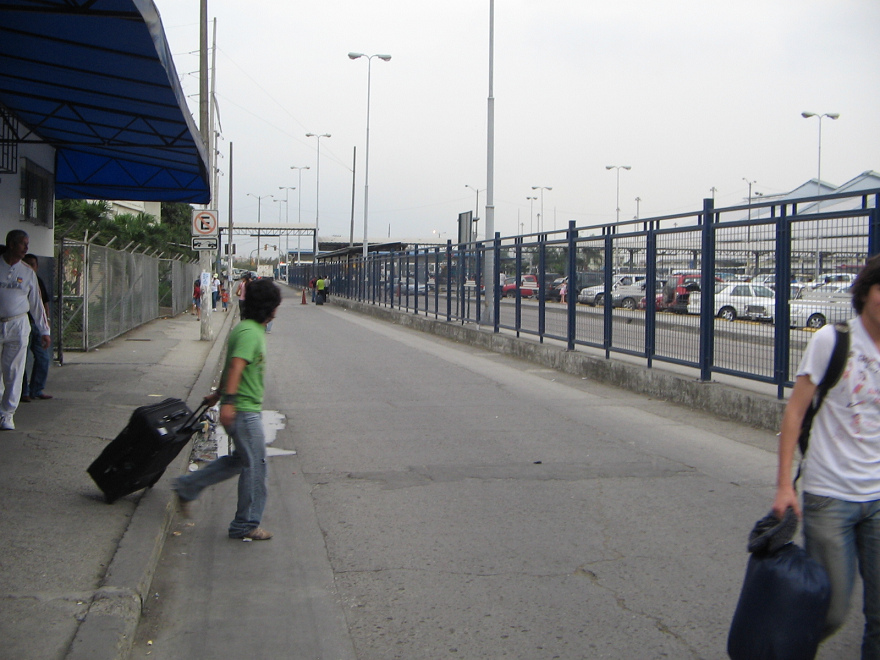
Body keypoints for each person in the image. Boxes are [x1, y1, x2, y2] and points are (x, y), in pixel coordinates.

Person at [773, 254, 880, 659]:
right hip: (829, 495)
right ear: (865, 293)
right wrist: (784, 485)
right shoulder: (832, 341)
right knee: (830, 612)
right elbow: (795, 413)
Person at [173, 278, 282, 540]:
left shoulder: (247, 329)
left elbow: (233, 367)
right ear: (268, 308)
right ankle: (245, 524)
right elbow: (235, 366)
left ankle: (188, 485)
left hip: (242, 407)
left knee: (240, 461)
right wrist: (228, 402)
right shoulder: (250, 333)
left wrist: (218, 395)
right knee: (256, 467)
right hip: (244, 410)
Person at [0, 230, 51, 431]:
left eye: (27, 243)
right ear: (11, 244)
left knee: (14, 370)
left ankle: (7, 414)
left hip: (18, 324)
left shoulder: (28, 272)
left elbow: (37, 304)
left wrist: (44, 330)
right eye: (23, 243)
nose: (26, 248)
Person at [20, 254, 52, 402]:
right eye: (27, 264)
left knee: (43, 358)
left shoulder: (38, 281)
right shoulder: (18, 279)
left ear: (37, 267)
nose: (30, 267)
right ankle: (23, 391)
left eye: (32, 264)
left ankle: (36, 389)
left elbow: (44, 303)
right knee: (21, 359)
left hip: (37, 325)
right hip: (21, 323)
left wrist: (46, 323)